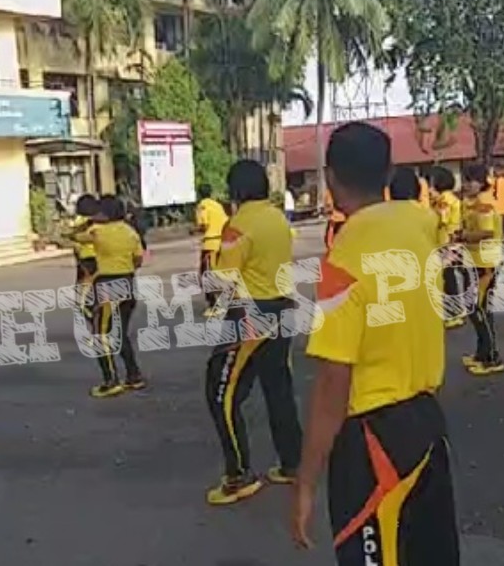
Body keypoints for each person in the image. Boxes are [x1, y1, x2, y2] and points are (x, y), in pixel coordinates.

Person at [291, 122, 459, 564]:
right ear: (389, 172)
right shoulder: (420, 223)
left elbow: (333, 380)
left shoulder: (343, 258)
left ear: (330, 178)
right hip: (426, 423)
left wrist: (306, 481)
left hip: (372, 437)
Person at [203, 160, 304, 505]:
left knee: (222, 394)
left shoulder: (238, 225)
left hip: (251, 313)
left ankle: (238, 475)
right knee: (279, 388)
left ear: (236, 190)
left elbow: (222, 280)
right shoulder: (278, 218)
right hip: (283, 307)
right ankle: (293, 462)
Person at [77, 195, 146, 397]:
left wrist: (88, 222)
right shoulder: (130, 231)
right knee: (120, 332)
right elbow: (138, 259)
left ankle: (111, 380)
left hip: (107, 284)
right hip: (128, 283)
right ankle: (134, 376)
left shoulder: (97, 231)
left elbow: (70, 236)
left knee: (100, 334)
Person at [457, 163, 504, 376]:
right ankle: (481, 353)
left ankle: (492, 357)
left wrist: (462, 236)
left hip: (486, 261)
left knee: (479, 309)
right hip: (475, 259)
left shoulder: (484, 203)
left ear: (481, 181)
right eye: (465, 180)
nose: (467, 185)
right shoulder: (473, 202)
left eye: (470, 181)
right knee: (476, 308)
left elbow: (486, 231)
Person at [432, 167, 466, 329]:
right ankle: (459, 309)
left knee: (448, 279)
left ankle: (453, 313)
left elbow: (442, 219)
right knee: (454, 276)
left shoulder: (443, 200)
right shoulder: (453, 198)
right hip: (454, 241)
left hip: (446, 243)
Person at [195, 185, 229, 314]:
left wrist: (195, 230)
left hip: (210, 244)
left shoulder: (203, 205)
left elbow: (203, 224)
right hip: (221, 242)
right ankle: (225, 301)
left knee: (206, 275)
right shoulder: (217, 205)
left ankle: (214, 305)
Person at [70, 194, 100, 322]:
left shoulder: (78, 222)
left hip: (85, 258)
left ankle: (84, 305)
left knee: (84, 285)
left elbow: (75, 243)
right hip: (100, 257)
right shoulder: (99, 220)